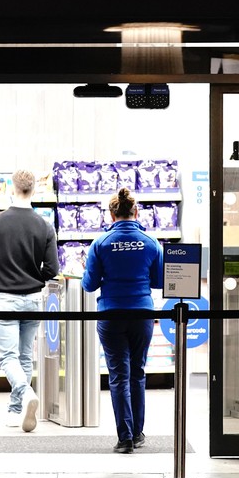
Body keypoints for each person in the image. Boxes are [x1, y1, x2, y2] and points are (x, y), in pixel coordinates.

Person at [81, 187, 164, 453]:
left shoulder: (101, 244)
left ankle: (124, 437)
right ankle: (138, 433)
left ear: (111, 214)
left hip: (111, 313)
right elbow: (159, 281)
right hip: (142, 313)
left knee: (118, 375)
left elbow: (89, 285)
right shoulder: (151, 243)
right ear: (135, 212)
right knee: (138, 372)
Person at [0, 169, 59, 432]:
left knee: (7, 357)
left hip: (4, 298)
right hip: (33, 299)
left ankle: (25, 397)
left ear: (11, 189)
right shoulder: (44, 225)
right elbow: (52, 269)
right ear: (34, 191)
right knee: (25, 357)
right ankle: (16, 410)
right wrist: (33, 277)